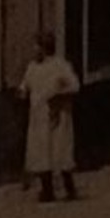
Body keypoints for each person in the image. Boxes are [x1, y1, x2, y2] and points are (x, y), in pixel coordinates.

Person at [17, 31, 80, 203]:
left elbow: (74, 85)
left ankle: (69, 187)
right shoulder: (32, 67)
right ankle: (47, 190)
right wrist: (22, 91)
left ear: (45, 48)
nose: (34, 50)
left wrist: (59, 93)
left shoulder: (60, 65)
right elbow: (25, 85)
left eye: (37, 47)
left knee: (60, 151)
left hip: (57, 115)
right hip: (38, 117)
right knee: (41, 153)